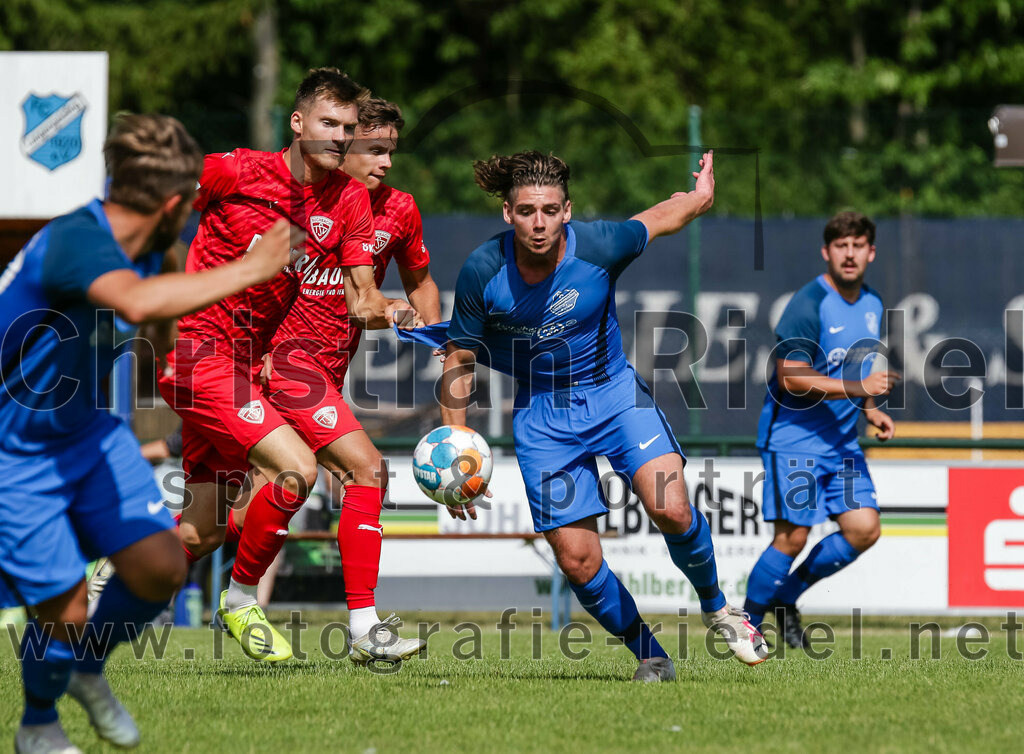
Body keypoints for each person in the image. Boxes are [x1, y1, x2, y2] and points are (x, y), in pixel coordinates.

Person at [400, 150, 767, 681]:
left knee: (672, 509)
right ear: (508, 214)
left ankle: (719, 609)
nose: (539, 222)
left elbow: (664, 215)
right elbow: (459, 358)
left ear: (567, 210)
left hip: (615, 395)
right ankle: (649, 654)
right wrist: (457, 444)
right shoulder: (484, 269)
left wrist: (702, 197)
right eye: (526, 210)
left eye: (550, 209)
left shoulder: (599, 245)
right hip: (543, 414)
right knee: (577, 559)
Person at [0, 114, 297, 754]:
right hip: (13, 450)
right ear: (170, 206)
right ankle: (39, 726)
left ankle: (85, 670)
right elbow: (134, 304)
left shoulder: (145, 246)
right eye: (188, 207)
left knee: (162, 567)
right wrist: (253, 268)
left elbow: (154, 316)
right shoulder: (81, 237)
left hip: (85, 434)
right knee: (67, 609)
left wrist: (170, 336)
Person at [157, 68, 420, 663]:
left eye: (350, 128)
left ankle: (101, 579)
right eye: (329, 123)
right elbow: (157, 203)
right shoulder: (237, 169)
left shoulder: (351, 200)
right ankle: (245, 600)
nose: (340, 136)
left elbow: (361, 299)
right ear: (297, 123)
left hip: (247, 368)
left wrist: (395, 313)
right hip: (197, 349)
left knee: (203, 529)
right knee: (299, 468)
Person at [743, 211, 899, 649]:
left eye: (857, 245)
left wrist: (869, 407)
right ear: (826, 252)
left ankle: (784, 598)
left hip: (841, 442)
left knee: (864, 528)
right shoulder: (807, 304)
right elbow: (792, 377)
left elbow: (857, 365)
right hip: (794, 440)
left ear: (871, 252)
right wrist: (861, 388)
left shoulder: (872, 304)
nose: (849, 254)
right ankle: (745, 627)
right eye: (840, 246)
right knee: (791, 537)